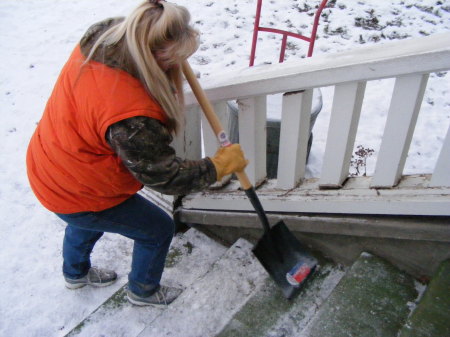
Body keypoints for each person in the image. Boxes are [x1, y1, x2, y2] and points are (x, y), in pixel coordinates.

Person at [26, 0, 247, 307]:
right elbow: (165, 176)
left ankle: (74, 273)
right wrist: (218, 166)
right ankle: (143, 290)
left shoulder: (105, 39)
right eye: (174, 59)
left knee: (82, 221)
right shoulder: (131, 116)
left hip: (51, 163)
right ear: (154, 54)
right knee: (157, 229)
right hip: (78, 185)